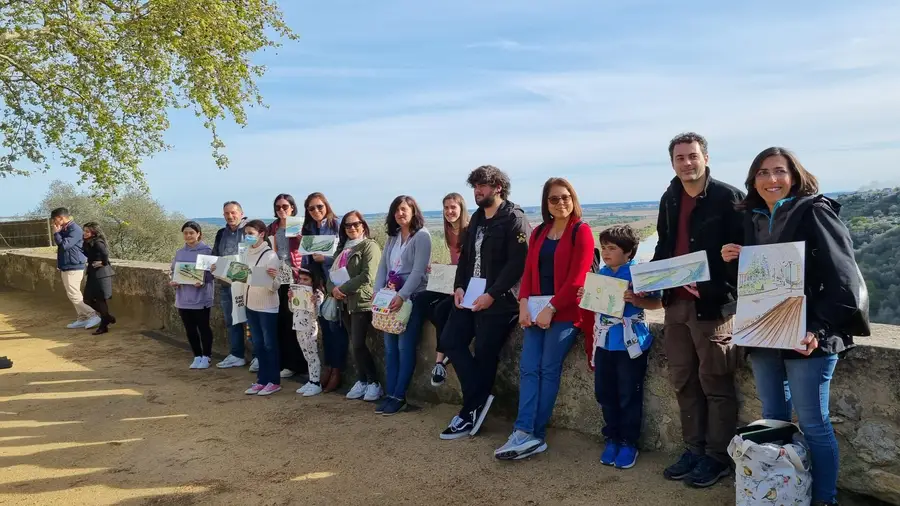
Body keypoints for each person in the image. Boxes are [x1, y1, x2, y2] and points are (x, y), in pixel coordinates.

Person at [721, 147, 868, 506]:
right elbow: (755, 283)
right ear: (753, 180)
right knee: (773, 419)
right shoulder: (753, 217)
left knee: (814, 425)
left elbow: (844, 281)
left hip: (809, 337)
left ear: (794, 175)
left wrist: (817, 331)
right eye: (763, 173)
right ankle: (784, 494)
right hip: (766, 334)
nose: (772, 179)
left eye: (779, 171)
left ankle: (823, 500)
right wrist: (734, 261)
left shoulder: (815, 212)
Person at [653, 132, 745, 488]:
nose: (687, 163)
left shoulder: (728, 197)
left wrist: (710, 280)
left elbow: (743, 255)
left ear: (705, 157)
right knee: (683, 380)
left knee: (715, 382)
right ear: (672, 162)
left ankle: (717, 457)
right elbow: (664, 244)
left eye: (692, 156)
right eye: (680, 158)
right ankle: (693, 449)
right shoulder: (670, 196)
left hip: (712, 307)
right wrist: (649, 280)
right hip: (675, 303)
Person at [494, 177, 594, 459]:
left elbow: (578, 279)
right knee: (528, 369)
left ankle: (535, 434)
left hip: (565, 313)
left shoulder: (581, 231)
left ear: (573, 199)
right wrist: (523, 303)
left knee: (548, 369)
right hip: (536, 310)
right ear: (546, 204)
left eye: (565, 197)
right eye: (554, 199)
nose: (560, 203)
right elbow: (528, 271)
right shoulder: (539, 233)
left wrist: (552, 308)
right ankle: (522, 430)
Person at [438, 165, 530, 440]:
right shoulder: (477, 218)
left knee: (486, 355)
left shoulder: (514, 218)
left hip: (500, 302)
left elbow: (518, 263)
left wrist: (492, 294)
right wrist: (458, 286)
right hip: (470, 296)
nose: (477, 191)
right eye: (475, 186)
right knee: (451, 340)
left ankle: (470, 411)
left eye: (483, 186)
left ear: (498, 187)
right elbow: (466, 258)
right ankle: (478, 399)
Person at [578, 225, 662, 469]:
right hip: (604, 343)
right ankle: (612, 437)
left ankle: (628, 442)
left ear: (628, 252)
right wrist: (586, 296)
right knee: (605, 394)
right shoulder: (601, 273)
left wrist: (637, 300)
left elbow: (658, 302)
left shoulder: (639, 274)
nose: (605, 252)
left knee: (628, 395)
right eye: (603, 247)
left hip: (630, 344)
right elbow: (597, 307)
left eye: (612, 248)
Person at [373, 196, 432, 415]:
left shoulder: (422, 236)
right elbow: (382, 267)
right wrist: (377, 292)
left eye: (404, 209)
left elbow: (418, 271)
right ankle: (391, 394)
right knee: (390, 349)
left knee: (404, 347)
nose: (400, 213)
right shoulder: (393, 237)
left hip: (411, 297)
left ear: (413, 211)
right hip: (389, 297)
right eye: (397, 210)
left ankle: (399, 395)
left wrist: (403, 295)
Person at [326, 211, 382, 401]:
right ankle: (362, 380)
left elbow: (369, 276)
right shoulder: (341, 249)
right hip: (344, 302)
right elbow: (330, 275)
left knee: (358, 344)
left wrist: (342, 288)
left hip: (361, 301)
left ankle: (374, 382)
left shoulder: (370, 246)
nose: (352, 228)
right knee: (354, 344)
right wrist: (333, 290)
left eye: (356, 224)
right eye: (347, 225)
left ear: (363, 225)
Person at [419, 193, 469, 387]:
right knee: (422, 299)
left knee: (442, 309)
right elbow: (457, 261)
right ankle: (444, 352)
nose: (449, 211)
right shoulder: (449, 230)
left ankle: (439, 361)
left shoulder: (469, 229)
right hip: (453, 280)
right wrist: (442, 268)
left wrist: (457, 284)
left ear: (461, 208)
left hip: (465, 283)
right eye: (446, 208)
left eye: (453, 207)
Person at [300, 192, 345, 391]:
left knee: (337, 330)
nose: (316, 211)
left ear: (326, 206)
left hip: (337, 284)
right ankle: (328, 368)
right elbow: (305, 260)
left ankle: (337, 371)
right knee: (326, 330)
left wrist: (324, 259)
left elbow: (345, 255)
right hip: (319, 286)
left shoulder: (337, 225)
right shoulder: (309, 229)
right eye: (312, 208)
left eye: (320, 206)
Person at [266, 193, 308, 379]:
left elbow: (307, 249)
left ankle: (296, 364)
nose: (281, 210)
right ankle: (283, 362)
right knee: (281, 321)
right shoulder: (272, 228)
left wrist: (300, 236)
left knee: (295, 322)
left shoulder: (300, 226)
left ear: (292, 207)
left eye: (285, 206)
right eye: (278, 207)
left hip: (296, 277)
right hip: (278, 278)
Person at [242, 220, 283, 396]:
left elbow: (275, 286)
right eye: (246, 233)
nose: (247, 236)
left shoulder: (270, 256)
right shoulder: (245, 253)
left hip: (266, 306)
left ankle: (273, 381)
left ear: (261, 234)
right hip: (250, 304)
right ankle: (262, 380)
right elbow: (241, 277)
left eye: (251, 233)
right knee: (258, 344)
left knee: (269, 344)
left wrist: (272, 278)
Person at [211, 201, 253, 370]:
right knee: (231, 321)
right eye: (227, 213)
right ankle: (236, 355)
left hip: (247, 284)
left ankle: (257, 356)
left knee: (251, 322)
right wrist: (213, 265)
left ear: (241, 213)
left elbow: (255, 252)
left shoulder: (249, 231)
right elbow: (215, 255)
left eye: (233, 213)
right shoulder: (221, 233)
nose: (230, 216)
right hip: (226, 284)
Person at [169, 221, 216, 368]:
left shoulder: (207, 251)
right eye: (186, 233)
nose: (188, 236)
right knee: (189, 329)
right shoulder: (179, 252)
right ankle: (196, 355)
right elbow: (173, 271)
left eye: (191, 233)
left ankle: (207, 356)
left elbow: (212, 274)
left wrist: (202, 281)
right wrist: (174, 280)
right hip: (183, 297)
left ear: (198, 234)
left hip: (201, 297)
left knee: (203, 327)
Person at [50, 207, 100, 330]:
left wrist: (56, 233)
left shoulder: (75, 229)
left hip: (74, 265)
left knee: (73, 294)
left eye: (54, 220)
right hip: (67, 265)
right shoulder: (65, 229)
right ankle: (82, 318)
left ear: (61, 218)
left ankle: (92, 315)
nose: (53, 223)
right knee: (72, 293)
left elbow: (65, 245)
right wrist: (59, 232)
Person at [292, 268, 326, 396]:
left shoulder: (317, 294)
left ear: (313, 281)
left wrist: (314, 302)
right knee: (306, 354)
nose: (302, 282)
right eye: (300, 279)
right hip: (298, 325)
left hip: (310, 327)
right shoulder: (298, 291)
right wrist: (291, 299)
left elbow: (317, 314)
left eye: (306, 279)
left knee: (312, 354)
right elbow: (293, 308)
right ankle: (311, 380)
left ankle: (316, 382)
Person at [81, 222, 117, 335]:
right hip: (93, 273)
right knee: (87, 299)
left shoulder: (98, 242)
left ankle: (103, 325)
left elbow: (105, 253)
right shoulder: (88, 243)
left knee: (101, 299)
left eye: (87, 231)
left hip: (102, 274)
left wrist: (103, 263)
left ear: (94, 232)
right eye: (84, 231)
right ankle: (107, 317)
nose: (85, 233)